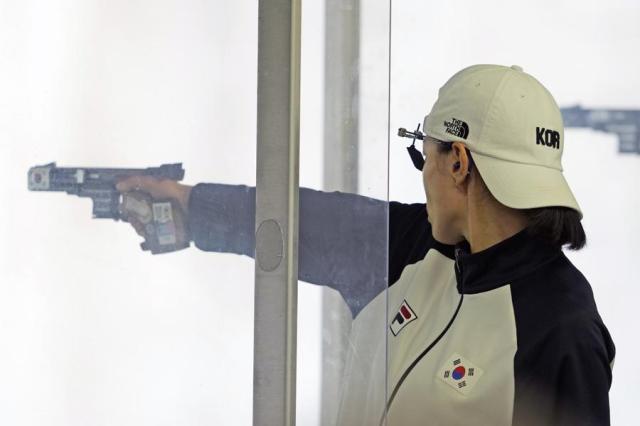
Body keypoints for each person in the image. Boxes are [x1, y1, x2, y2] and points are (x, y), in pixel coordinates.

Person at [117, 64, 615, 425]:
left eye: (425, 154)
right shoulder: (417, 248)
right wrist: (189, 206)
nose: (423, 174)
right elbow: (306, 221)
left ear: (458, 162)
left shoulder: (561, 330)